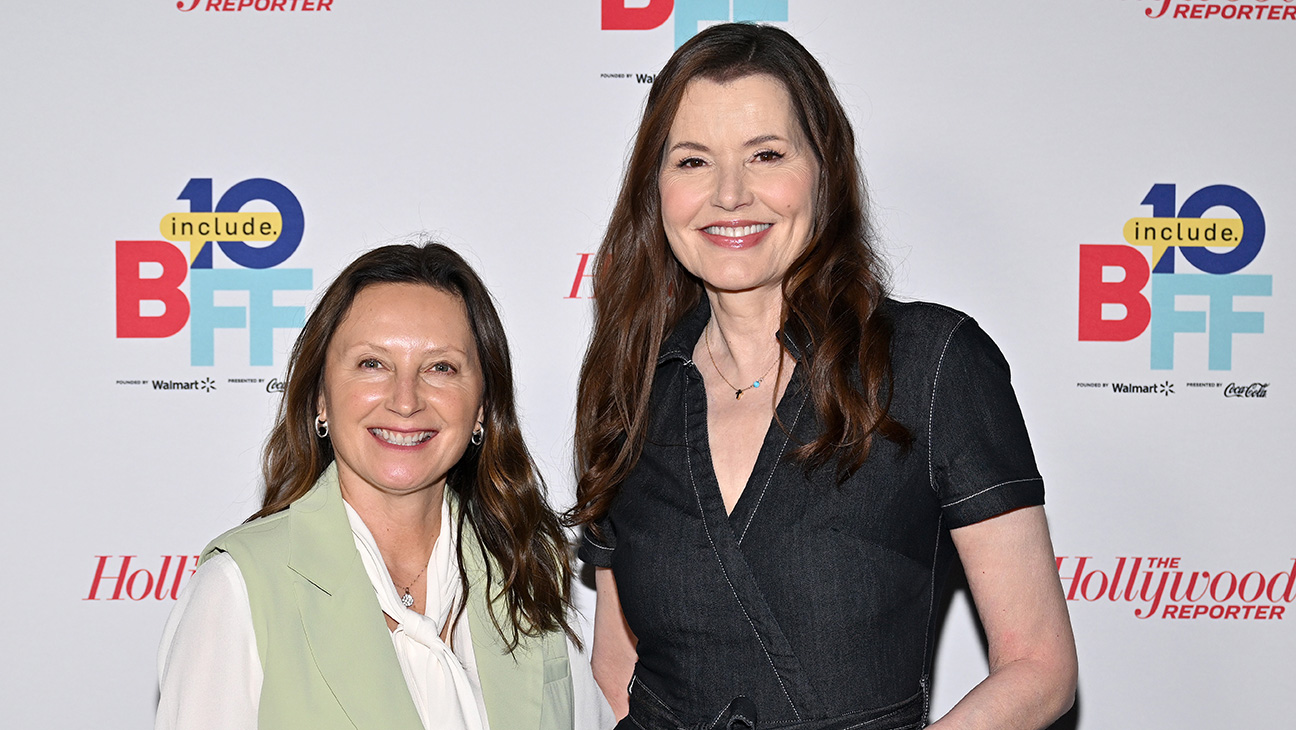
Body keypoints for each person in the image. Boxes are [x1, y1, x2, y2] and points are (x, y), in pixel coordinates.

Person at [570, 23, 1078, 730]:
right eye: (692, 161)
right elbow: (616, 663)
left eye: (766, 154)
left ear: (824, 171)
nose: (729, 194)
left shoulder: (930, 365)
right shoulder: (629, 386)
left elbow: (1038, 662)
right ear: (656, 189)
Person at [157, 242, 614, 730]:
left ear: (482, 407)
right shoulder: (239, 590)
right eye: (372, 364)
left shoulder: (525, 570)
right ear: (320, 398)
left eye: (441, 367)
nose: (405, 400)